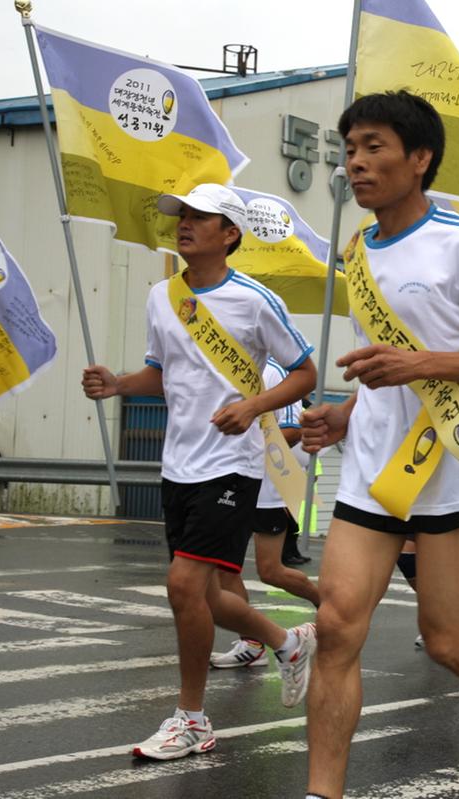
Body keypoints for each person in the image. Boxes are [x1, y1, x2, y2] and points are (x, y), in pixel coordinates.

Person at [300, 92, 459, 799]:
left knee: (447, 639)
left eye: (373, 146)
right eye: (350, 149)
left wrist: (420, 365)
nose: (356, 162)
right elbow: (386, 369)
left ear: (420, 158)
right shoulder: (357, 252)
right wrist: (347, 412)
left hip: (445, 477)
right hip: (370, 477)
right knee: (335, 625)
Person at [82, 183, 318, 760]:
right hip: (179, 465)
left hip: (233, 466)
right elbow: (162, 373)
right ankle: (288, 643)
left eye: (198, 217)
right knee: (209, 596)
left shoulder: (256, 301)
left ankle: (191, 720)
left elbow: (303, 373)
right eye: (181, 216)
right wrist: (118, 383)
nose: (184, 224)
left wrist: (255, 406)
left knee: (183, 585)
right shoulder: (161, 296)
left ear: (230, 234)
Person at [211, 358, 321, 668]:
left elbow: (292, 430)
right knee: (223, 568)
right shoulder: (221, 363)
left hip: (267, 487)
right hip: (230, 480)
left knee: (270, 571)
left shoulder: (274, 370)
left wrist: (242, 434)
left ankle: (329, 605)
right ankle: (252, 643)